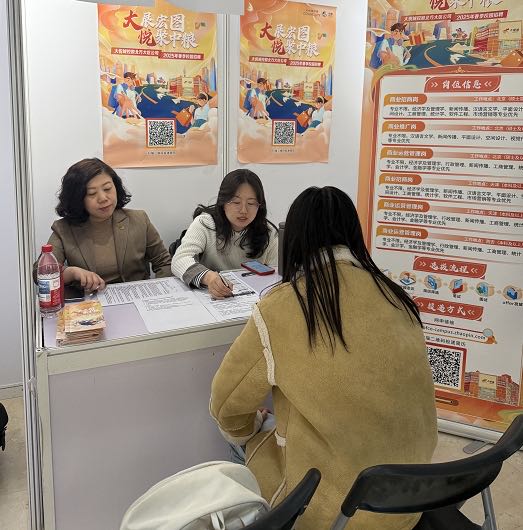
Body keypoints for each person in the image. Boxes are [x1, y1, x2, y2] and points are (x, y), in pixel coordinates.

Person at [210, 186, 437, 529]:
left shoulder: (284, 306)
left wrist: (248, 428)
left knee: (240, 438)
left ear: (294, 238)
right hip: (412, 496)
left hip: (337, 512)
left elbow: (225, 404)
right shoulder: (396, 297)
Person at [34, 158, 172, 291]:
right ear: (77, 199)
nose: (103, 198)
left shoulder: (138, 219)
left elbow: (164, 263)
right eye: (92, 193)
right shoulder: (64, 229)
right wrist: (71, 273)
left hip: (138, 297)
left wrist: (158, 293)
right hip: (90, 301)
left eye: (107, 189)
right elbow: (39, 274)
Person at [171, 169, 278, 299]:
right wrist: (209, 277)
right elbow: (180, 259)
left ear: (260, 206)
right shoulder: (205, 224)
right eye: (236, 202)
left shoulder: (269, 233)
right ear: (223, 203)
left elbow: (278, 274)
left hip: (254, 299)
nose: (244, 210)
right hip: (213, 299)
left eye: (251, 203)